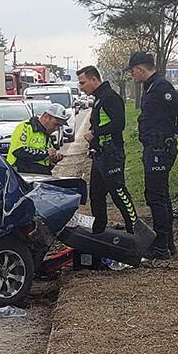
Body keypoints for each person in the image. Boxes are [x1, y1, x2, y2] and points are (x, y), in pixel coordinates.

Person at [126, 52, 178, 260]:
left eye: (132, 71)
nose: (132, 75)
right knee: (160, 195)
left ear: (141, 69)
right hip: (154, 149)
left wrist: (173, 133)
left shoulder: (161, 87)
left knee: (156, 196)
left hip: (159, 150)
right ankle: (167, 244)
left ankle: (161, 246)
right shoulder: (151, 87)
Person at [77, 65, 138, 235]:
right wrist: (93, 145)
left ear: (94, 80)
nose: (80, 87)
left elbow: (119, 123)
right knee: (96, 195)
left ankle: (135, 229)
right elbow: (98, 122)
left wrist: (95, 133)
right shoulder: (98, 98)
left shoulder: (110, 97)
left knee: (119, 193)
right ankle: (99, 233)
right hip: (100, 155)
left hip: (112, 154)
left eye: (83, 83)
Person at [6, 104, 69, 175]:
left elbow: (44, 166)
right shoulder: (26, 127)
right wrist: (46, 153)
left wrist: (53, 161)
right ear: (46, 117)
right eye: (55, 124)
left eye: (59, 126)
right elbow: (19, 151)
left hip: (40, 177)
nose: (56, 129)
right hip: (21, 176)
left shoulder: (46, 135)